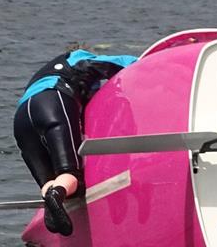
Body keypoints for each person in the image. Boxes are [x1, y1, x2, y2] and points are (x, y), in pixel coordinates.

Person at [13, 47, 137, 236]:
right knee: (71, 175)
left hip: (21, 119)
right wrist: (150, 61)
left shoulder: (43, 73)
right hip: (52, 101)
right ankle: (56, 195)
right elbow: (118, 63)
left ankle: (53, 199)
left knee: (51, 180)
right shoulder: (76, 58)